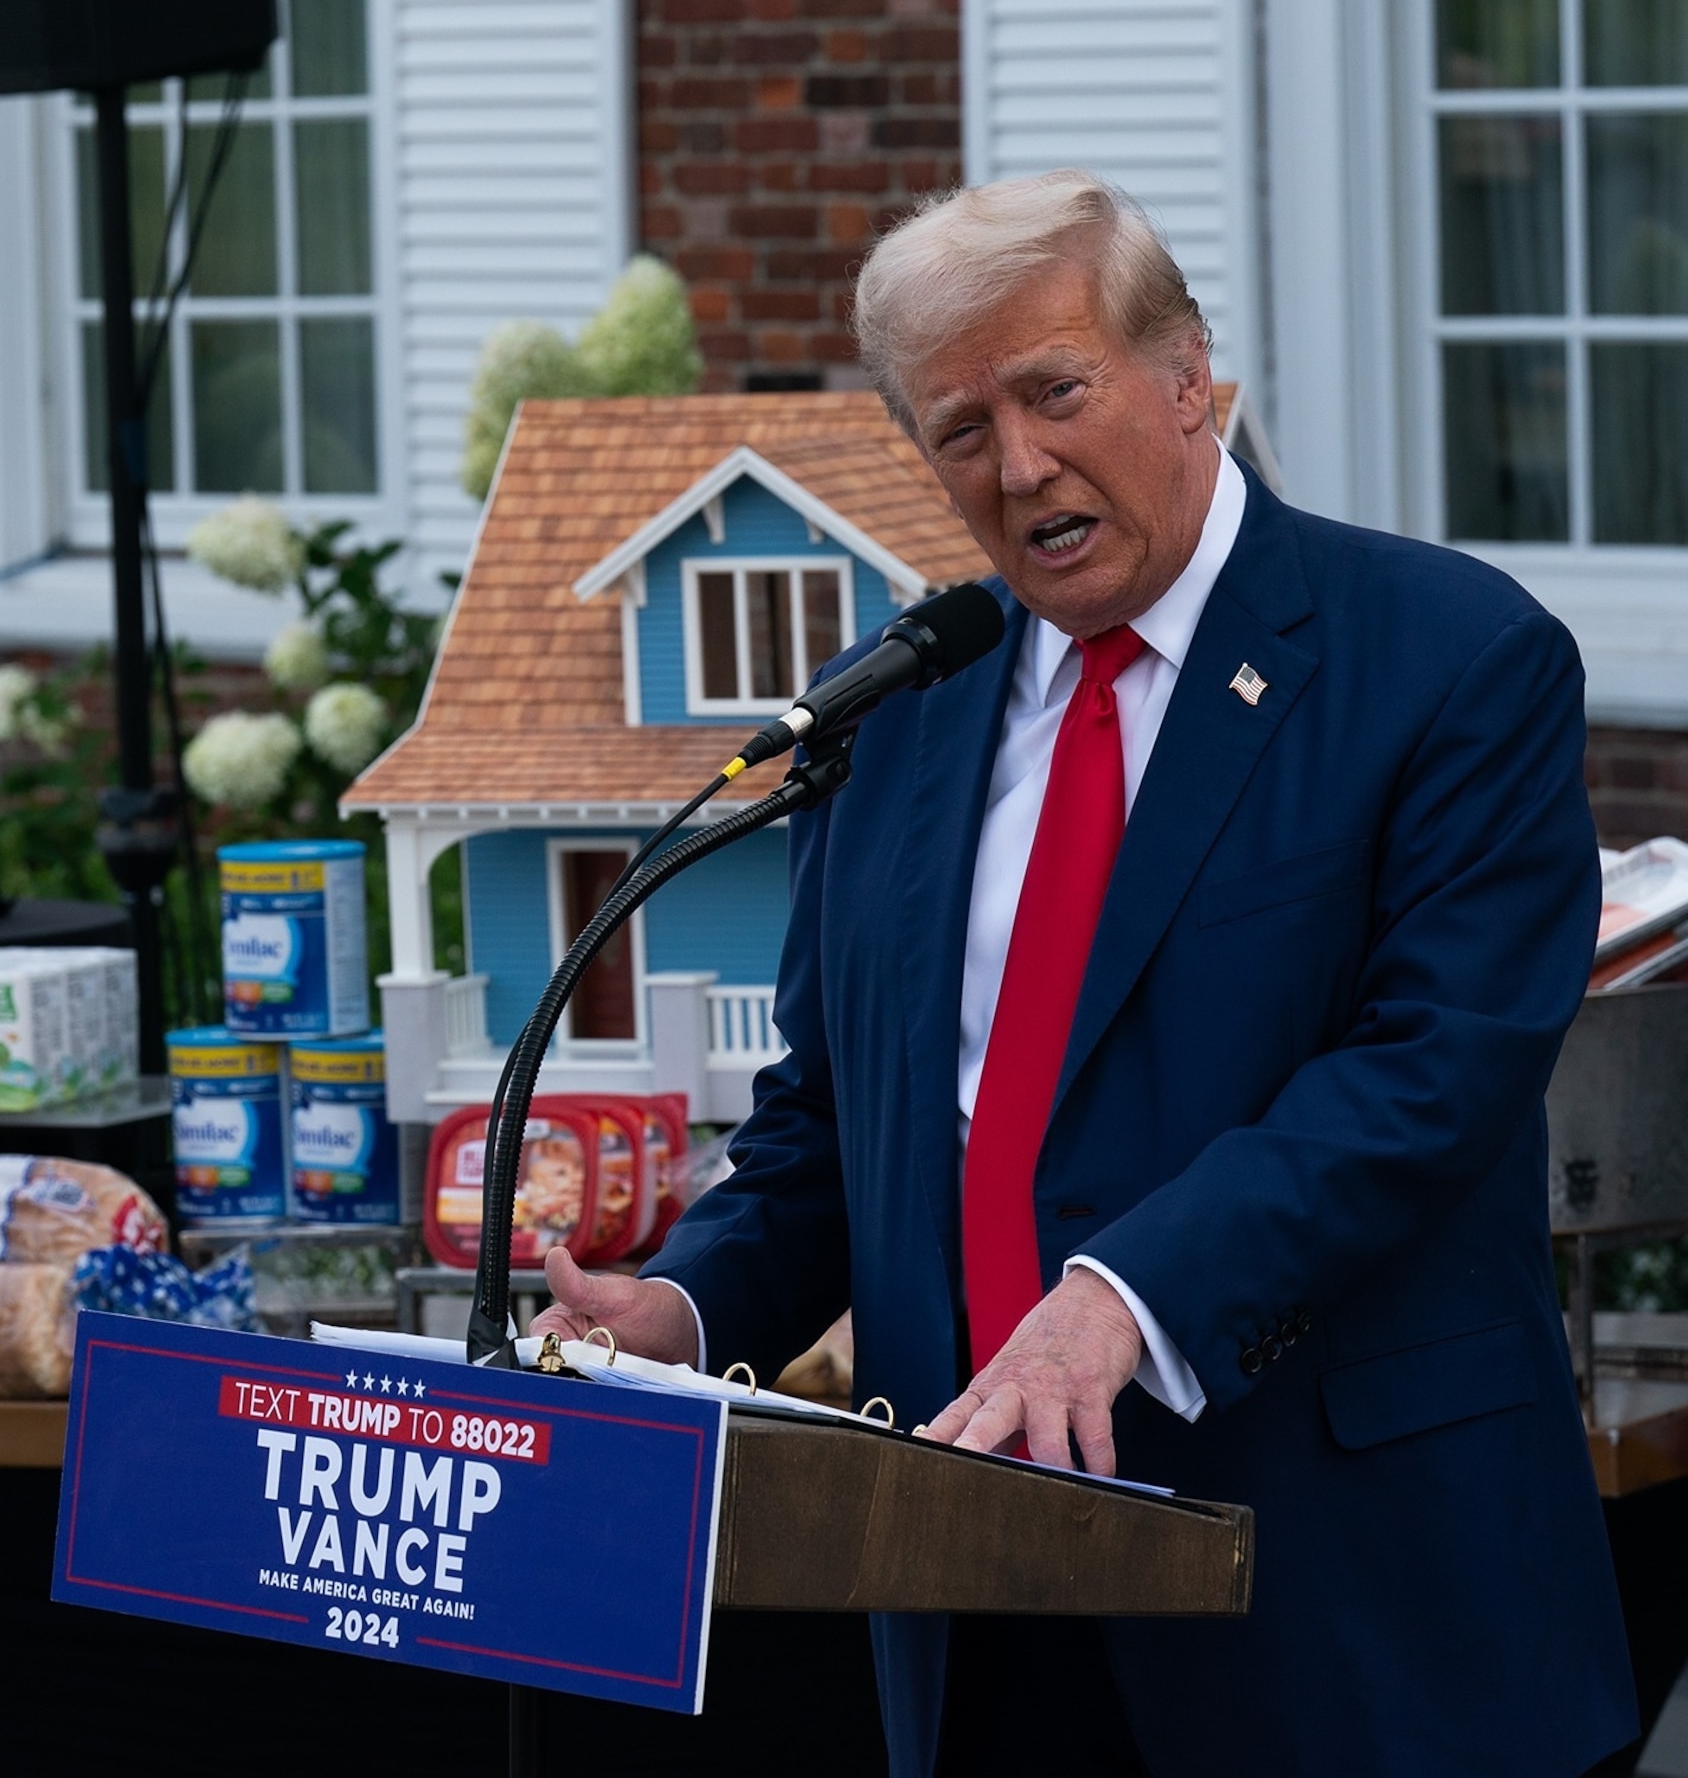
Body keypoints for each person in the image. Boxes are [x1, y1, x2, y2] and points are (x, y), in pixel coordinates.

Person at [530, 171, 1633, 1777]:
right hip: (981, 1606)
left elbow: (1428, 1076)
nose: (1019, 464)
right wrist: (687, 1310)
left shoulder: (1451, 658)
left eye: (1055, 392)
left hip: (1350, 1605)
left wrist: (1125, 1297)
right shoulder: (897, 708)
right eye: (959, 429)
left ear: (1189, 378)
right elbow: (832, 1131)